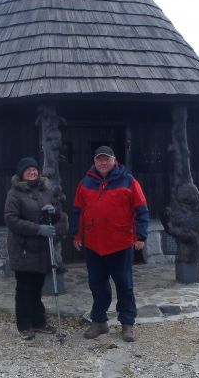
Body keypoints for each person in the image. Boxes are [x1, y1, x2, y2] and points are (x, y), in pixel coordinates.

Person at [71, 146, 150, 342]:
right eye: (100, 160)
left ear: (114, 160)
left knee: (124, 285)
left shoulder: (129, 181)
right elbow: (78, 212)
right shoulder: (85, 183)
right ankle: (99, 322)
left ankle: (127, 324)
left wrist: (140, 236)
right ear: (94, 162)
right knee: (97, 284)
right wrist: (77, 235)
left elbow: (142, 210)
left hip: (120, 243)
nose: (103, 162)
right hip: (94, 244)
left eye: (107, 159)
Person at [4, 156, 68, 340]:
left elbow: (57, 212)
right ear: (21, 174)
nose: (32, 172)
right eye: (28, 170)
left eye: (34, 169)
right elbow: (11, 220)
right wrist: (37, 229)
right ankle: (24, 325)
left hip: (41, 249)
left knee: (37, 287)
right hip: (23, 248)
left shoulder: (46, 190)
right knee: (24, 287)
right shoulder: (14, 194)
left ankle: (38, 322)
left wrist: (53, 212)